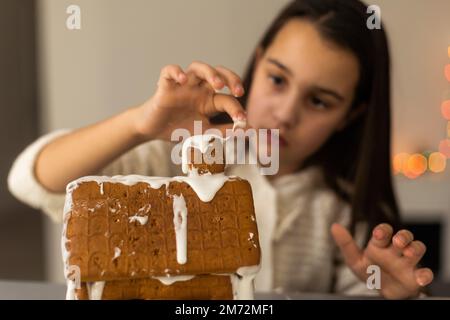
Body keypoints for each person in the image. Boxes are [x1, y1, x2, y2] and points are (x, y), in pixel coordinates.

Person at [8, 0, 433, 299]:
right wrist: (140, 124)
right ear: (258, 59)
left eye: (319, 101)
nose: (284, 113)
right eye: (278, 80)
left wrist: (396, 294)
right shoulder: (174, 159)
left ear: (349, 116)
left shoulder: (344, 211)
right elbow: (31, 180)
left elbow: (368, 288)